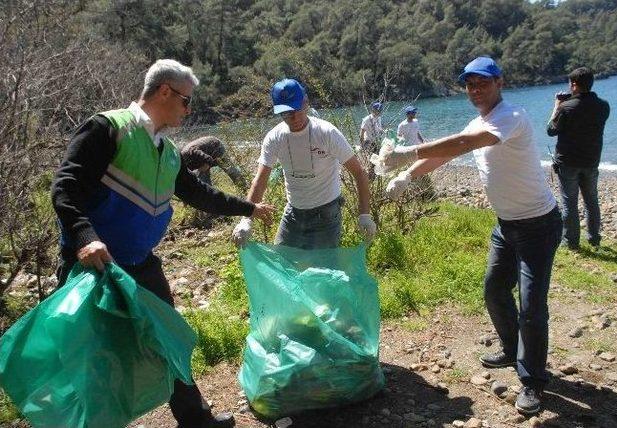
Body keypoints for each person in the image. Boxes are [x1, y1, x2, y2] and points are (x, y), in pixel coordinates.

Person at [51, 59, 275, 428]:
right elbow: (65, 188)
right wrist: (85, 239)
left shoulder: (168, 152)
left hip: (139, 264)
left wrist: (248, 208)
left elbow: (200, 194)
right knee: (91, 357)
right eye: (187, 101)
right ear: (164, 92)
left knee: (167, 339)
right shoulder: (107, 128)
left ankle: (195, 420)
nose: (189, 110)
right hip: (94, 267)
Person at [382, 57, 562, 415]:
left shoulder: (511, 117)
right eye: (469, 84)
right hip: (507, 225)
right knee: (495, 292)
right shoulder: (476, 121)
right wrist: (408, 176)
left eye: (482, 82)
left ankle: (533, 382)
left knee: (531, 306)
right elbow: (445, 156)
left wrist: (407, 152)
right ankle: (512, 350)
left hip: (539, 226)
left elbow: (464, 143)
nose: (475, 89)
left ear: (499, 83)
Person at [232, 78, 376, 249]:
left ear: (306, 102)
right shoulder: (274, 138)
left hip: (327, 212)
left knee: (322, 267)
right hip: (293, 211)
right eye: (286, 113)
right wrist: (246, 220)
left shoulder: (326, 133)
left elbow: (359, 173)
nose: (294, 117)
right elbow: (261, 179)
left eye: (298, 109)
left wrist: (364, 215)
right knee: (283, 263)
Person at [547, 67, 610, 250]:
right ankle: (594, 239)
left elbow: (551, 130)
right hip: (591, 161)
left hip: (568, 163)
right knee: (592, 201)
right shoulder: (603, 105)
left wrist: (557, 106)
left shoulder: (565, 108)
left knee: (569, 203)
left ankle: (571, 242)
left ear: (573, 85)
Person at [181, 136, 249, 193]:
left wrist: (205, 166)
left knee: (230, 169)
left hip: (215, 147)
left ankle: (245, 190)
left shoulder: (191, 152)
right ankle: (208, 200)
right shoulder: (181, 165)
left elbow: (208, 159)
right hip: (203, 157)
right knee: (203, 180)